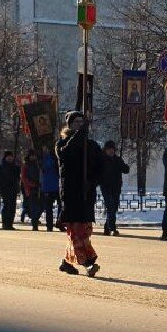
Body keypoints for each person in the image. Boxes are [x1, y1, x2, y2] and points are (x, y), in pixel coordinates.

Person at [55, 111, 102, 277]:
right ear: (70, 125)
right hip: (71, 194)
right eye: (77, 123)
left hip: (86, 193)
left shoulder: (92, 145)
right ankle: (88, 263)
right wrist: (81, 134)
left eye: (82, 122)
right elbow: (68, 153)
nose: (80, 125)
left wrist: (93, 181)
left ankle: (66, 262)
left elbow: (100, 166)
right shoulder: (62, 144)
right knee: (77, 232)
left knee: (85, 231)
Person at [99, 140, 130, 236]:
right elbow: (97, 172)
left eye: (112, 149)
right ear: (105, 150)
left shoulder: (117, 160)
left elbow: (126, 170)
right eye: (109, 149)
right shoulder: (102, 160)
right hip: (106, 187)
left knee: (114, 208)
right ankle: (112, 228)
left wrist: (124, 166)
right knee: (110, 207)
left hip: (116, 187)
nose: (111, 151)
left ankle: (106, 227)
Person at [0, 151, 20, 230]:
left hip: (13, 189)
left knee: (12, 207)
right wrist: (2, 184)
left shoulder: (15, 167)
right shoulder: (1, 167)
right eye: (8, 157)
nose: (10, 158)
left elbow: (18, 178)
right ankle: (5, 223)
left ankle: (10, 223)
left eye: (11, 157)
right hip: (5, 189)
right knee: (6, 206)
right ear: (5, 158)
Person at [21, 149, 43, 231]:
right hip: (30, 189)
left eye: (34, 156)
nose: (33, 157)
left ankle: (34, 218)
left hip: (39, 188)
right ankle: (34, 224)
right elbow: (24, 178)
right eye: (32, 155)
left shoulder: (38, 164)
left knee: (41, 206)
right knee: (34, 207)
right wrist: (33, 184)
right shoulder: (26, 165)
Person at [40, 148, 61, 232]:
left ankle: (57, 223)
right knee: (49, 208)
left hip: (55, 186)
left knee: (59, 206)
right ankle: (50, 225)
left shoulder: (48, 158)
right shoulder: (47, 159)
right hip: (50, 186)